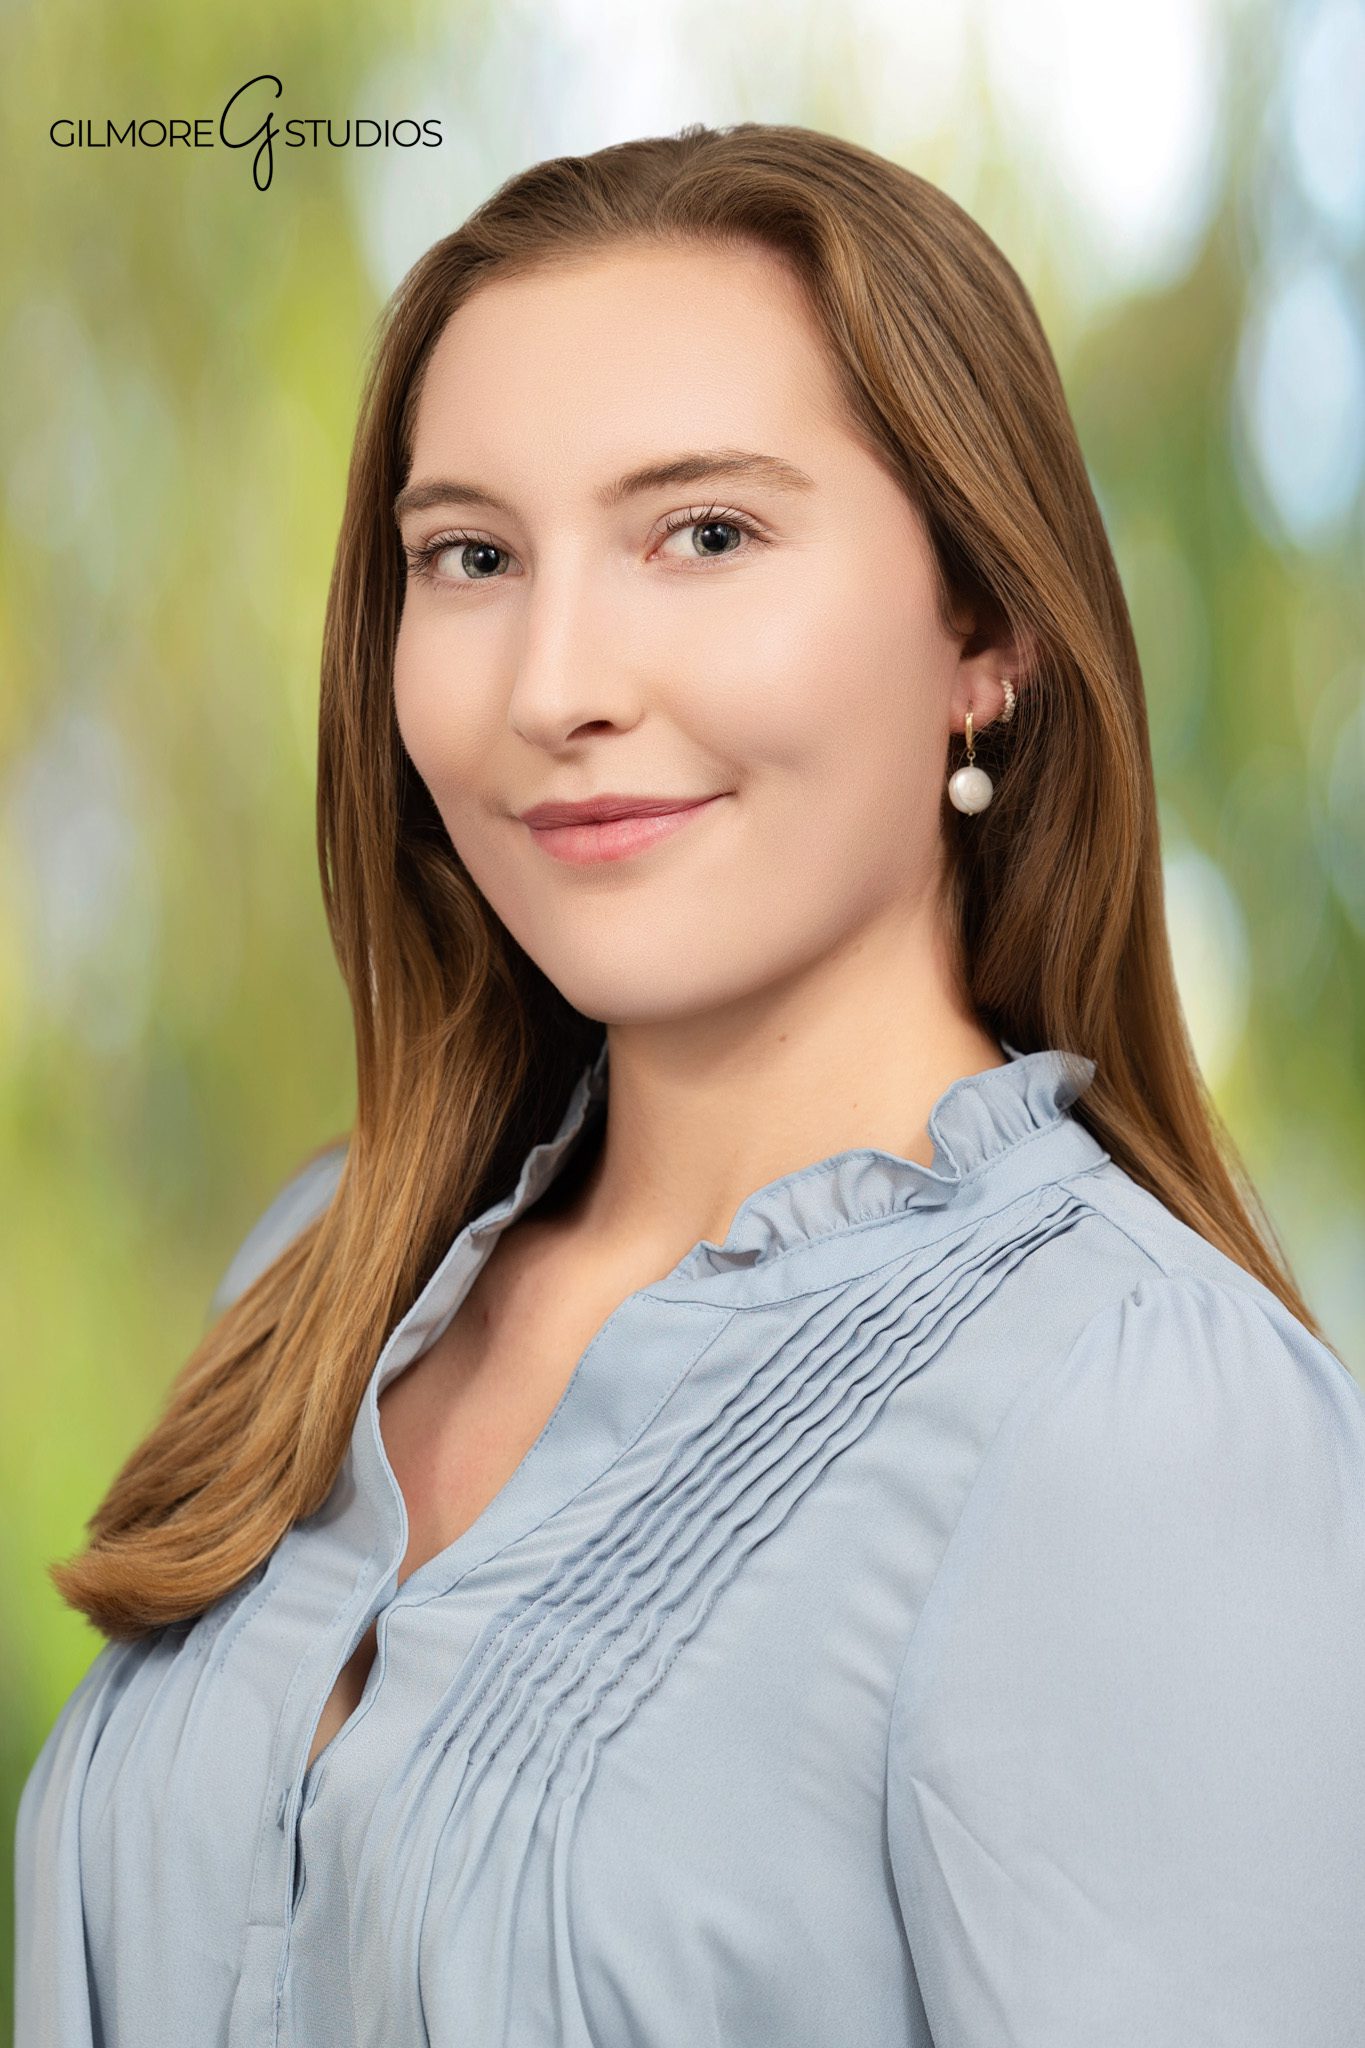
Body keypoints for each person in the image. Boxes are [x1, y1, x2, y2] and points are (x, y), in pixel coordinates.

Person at [16, 122, 1365, 2048]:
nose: (553, 680)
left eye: (703, 534)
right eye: (468, 556)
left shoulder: (1137, 1429)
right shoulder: (326, 1276)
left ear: (981, 627)